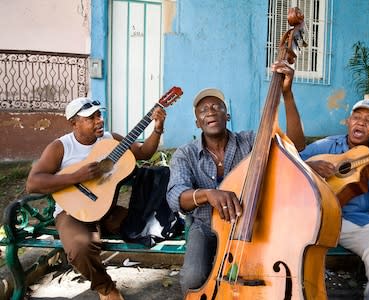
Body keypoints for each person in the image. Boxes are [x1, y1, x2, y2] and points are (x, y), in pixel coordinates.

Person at [166, 61, 305, 295]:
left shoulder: (252, 141)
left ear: (227, 115)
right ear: (197, 123)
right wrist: (208, 194)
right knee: (192, 277)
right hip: (206, 226)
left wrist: (287, 95)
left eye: (216, 107)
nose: (210, 111)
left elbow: (296, 145)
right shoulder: (185, 153)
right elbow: (175, 196)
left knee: (264, 279)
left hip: (250, 224)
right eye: (203, 110)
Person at [26, 97, 166, 300]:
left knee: (155, 226)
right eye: (90, 118)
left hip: (106, 210)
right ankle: (106, 289)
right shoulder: (61, 147)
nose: (99, 120)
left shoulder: (111, 140)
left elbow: (144, 153)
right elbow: (33, 183)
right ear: (74, 123)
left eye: (99, 115)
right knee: (80, 248)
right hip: (73, 212)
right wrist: (76, 176)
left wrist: (158, 129)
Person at [300, 99, 369, 300]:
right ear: (348, 121)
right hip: (315, 215)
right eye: (357, 117)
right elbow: (292, 161)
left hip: (354, 220)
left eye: (368, 120)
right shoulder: (327, 145)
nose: (360, 123)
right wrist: (311, 167)